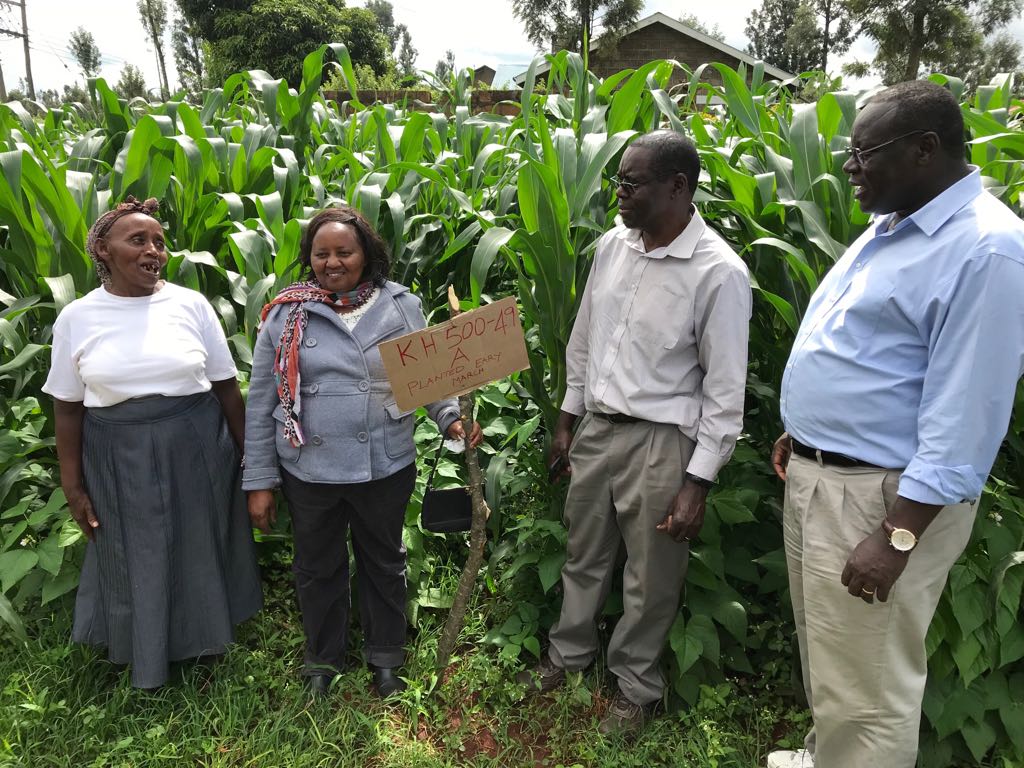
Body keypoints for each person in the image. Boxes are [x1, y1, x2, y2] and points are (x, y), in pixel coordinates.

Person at [767, 80, 1024, 768]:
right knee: (836, 659)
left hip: (882, 502)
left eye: (863, 153)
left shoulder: (987, 249)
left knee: (872, 689)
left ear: (925, 150)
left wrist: (897, 533)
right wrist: (812, 429)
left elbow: (967, 415)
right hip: (831, 478)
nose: (849, 167)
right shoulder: (895, 224)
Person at [517, 131, 751, 734]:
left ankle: (635, 686)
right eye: (617, 180)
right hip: (598, 429)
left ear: (677, 186)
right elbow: (586, 339)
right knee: (583, 552)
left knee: (651, 574)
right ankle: (568, 654)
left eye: (630, 183)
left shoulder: (719, 273)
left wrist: (698, 482)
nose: (617, 193)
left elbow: (725, 393)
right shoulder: (613, 248)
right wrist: (568, 419)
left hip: (663, 442)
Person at [243, 206, 482, 698]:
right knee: (317, 565)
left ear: (366, 254)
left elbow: (428, 378)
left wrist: (450, 418)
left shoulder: (400, 306)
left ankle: (386, 657)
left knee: (383, 560)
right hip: (309, 466)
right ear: (309, 257)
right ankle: (323, 661)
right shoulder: (286, 314)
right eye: (321, 253)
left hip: (383, 462)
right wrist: (260, 480)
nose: (332, 262)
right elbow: (263, 400)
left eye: (344, 252)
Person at [43, 196, 262, 690]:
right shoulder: (77, 317)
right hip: (115, 450)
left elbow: (226, 386)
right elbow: (67, 406)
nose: (154, 250)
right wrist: (73, 484)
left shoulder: (190, 304)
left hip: (195, 440)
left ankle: (204, 642)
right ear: (103, 249)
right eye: (137, 240)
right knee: (130, 548)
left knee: (198, 540)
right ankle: (139, 647)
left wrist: (252, 459)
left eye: (160, 242)